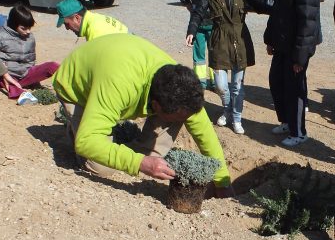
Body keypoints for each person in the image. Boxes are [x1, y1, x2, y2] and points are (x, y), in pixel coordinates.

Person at [51, 33, 233, 197]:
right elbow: (87, 142)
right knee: (100, 167)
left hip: (115, 70)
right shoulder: (119, 85)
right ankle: (78, 128)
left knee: (178, 116)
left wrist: (222, 182)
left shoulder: (181, 88)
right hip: (77, 88)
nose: (184, 122)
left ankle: (141, 153)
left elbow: (204, 132)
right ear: (155, 106)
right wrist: (140, 163)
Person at [186, 0, 255, 135]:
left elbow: (255, 3)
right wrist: (191, 30)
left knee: (238, 86)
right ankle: (227, 110)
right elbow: (198, 12)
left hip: (240, 39)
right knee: (220, 85)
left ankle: (236, 118)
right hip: (219, 40)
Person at [263, 0, 322, 148]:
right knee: (276, 81)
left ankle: (299, 132)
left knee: (295, 88)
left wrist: (300, 57)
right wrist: (271, 38)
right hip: (282, 43)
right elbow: (278, 10)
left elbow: (308, 22)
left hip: (297, 47)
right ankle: (287, 122)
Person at [0, 4, 60, 105]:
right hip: (6, 75)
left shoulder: (30, 38)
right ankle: (21, 95)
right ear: (13, 24)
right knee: (6, 81)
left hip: (24, 74)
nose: (27, 32)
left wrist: (35, 79)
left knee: (54, 66)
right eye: (23, 28)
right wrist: (2, 69)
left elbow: (31, 60)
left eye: (29, 28)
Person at [177, 0, 216, 89]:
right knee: (199, 54)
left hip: (215, 22)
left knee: (215, 52)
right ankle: (201, 83)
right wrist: (186, 3)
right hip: (198, 22)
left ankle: (215, 81)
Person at [55, 0, 128, 41]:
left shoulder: (94, 31)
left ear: (77, 18)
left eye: (67, 24)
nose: (67, 28)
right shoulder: (96, 18)